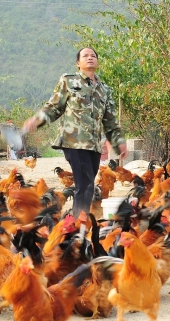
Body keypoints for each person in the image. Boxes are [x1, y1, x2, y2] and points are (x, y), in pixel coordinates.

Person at [24, 47, 127, 217]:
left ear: (98, 62)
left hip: (93, 145)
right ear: (78, 63)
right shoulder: (69, 81)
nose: (90, 58)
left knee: (88, 184)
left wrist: (119, 141)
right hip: (73, 141)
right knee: (85, 184)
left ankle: (77, 219)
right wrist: (37, 119)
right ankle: (79, 222)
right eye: (85, 56)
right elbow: (54, 107)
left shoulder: (104, 90)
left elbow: (110, 121)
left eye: (93, 56)